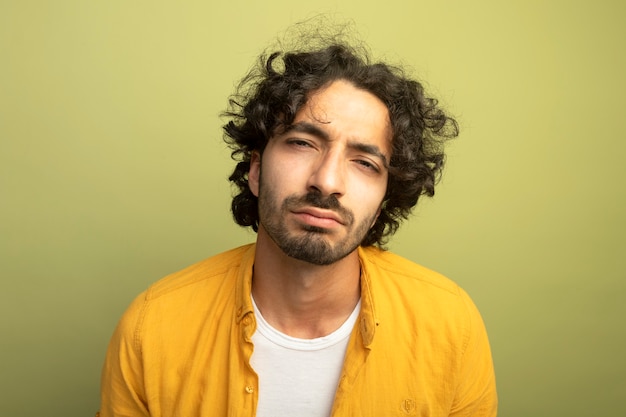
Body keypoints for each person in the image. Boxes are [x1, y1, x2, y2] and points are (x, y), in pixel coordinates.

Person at [98, 33, 497, 417]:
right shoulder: (153, 327)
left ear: (382, 204)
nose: (327, 181)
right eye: (303, 143)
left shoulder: (450, 326)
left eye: (365, 163)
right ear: (256, 169)